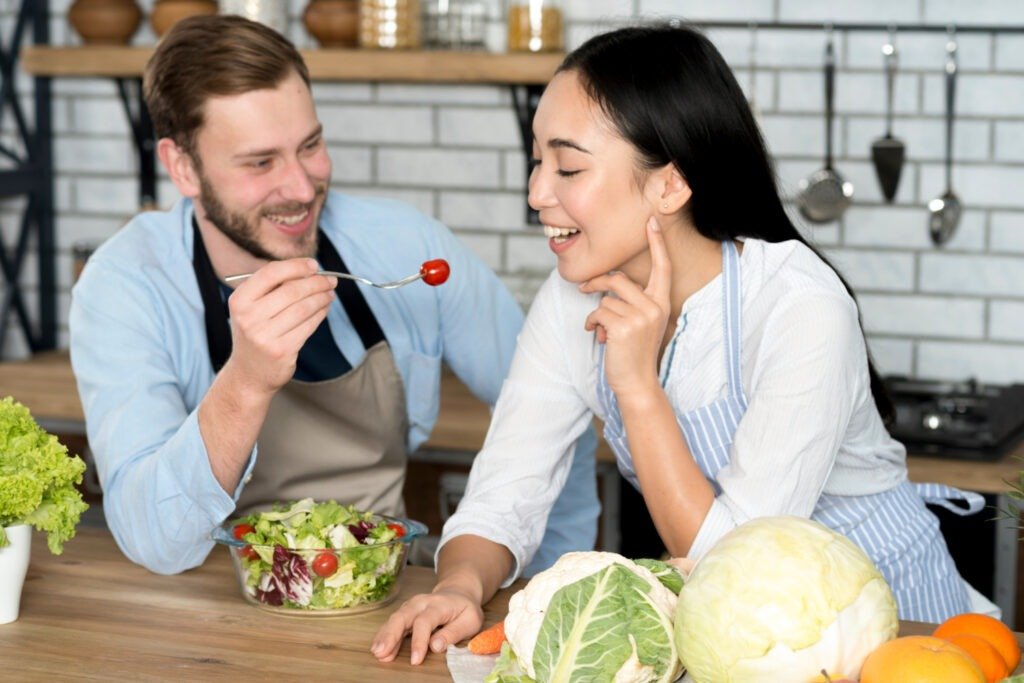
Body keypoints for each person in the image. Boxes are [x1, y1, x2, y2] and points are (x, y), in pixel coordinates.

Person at [372, 23, 993, 665]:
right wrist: (460, 586)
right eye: (537, 161)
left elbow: (729, 564)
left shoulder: (798, 307)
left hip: (891, 626)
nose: (536, 193)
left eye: (568, 167)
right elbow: (507, 489)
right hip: (738, 644)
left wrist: (638, 387)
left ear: (669, 185)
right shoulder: (573, 296)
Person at [68, 15, 598, 576]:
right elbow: (155, 542)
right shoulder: (124, 285)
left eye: (311, 145)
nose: (301, 188)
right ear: (182, 167)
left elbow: (554, 408)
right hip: (209, 611)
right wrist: (245, 382)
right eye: (260, 162)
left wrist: (549, 576)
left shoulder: (404, 248)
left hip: (373, 596)